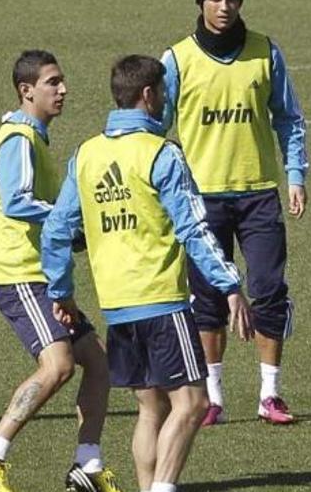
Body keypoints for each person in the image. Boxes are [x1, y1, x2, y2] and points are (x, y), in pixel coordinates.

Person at [41, 55, 253, 492]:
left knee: (151, 408)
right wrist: (230, 285)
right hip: (161, 301)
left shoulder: (86, 154)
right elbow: (194, 227)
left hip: (117, 306)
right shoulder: (162, 153)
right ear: (149, 94)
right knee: (193, 402)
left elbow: (57, 230)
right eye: (164, 92)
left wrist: (61, 293)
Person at [0, 50, 124, 492]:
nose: (63, 89)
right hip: (20, 274)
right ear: (26, 90)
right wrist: (71, 222)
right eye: (53, 82)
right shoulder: (18, 139)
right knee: (58, 366)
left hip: (42, 275)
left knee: (99, 363)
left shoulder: (34, 139)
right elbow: (18, 201)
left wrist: (79, 234)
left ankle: (86, 465)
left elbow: (44, 211)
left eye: (62, 80)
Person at [159, 0, 309, 425]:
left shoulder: (266, 51)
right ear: (200, 2)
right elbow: (157, 126)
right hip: (201, 198)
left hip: (258, 193)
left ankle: (271, 395)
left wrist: (294, 174)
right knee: (206, 299)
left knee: (268, 289)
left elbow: (289, 118)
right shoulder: (177, 59)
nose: (225, 6)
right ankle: (212, 397)